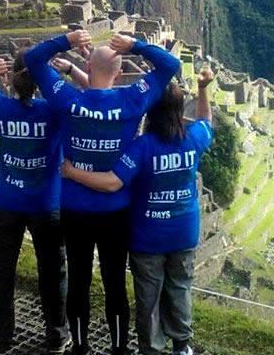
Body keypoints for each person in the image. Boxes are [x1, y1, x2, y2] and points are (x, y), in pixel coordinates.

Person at [25, 30, 181, 355]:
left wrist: (66, 40)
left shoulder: (68, 99)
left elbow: (32, 59)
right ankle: (119, 347)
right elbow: (170, 66)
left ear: (88, 66)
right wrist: (136, 46)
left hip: (75, 209)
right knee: (114, 282)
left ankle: (80, 346)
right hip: (116, 211)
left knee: (79, 282)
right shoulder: (132, 99)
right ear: (120, 73)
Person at [62, 69, 215, 355]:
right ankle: (182, 344)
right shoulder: (193, 138)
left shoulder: (142, 148)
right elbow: (207, 120)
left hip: (149, 236)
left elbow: (111, 182)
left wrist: (72, 172)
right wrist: (203, 88)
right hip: (184, 232)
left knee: (149, 296)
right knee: (180, 288)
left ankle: (152, 348)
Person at [0, 52, 80, 354]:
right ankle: (56, 335)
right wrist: (65, 70)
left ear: (11, 79)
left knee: (2, 272)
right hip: (46, 204)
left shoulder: (1, 107)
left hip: (7, 202)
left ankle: (0, 339)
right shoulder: (54, 111)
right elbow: (85, 94)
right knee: (53, 273)